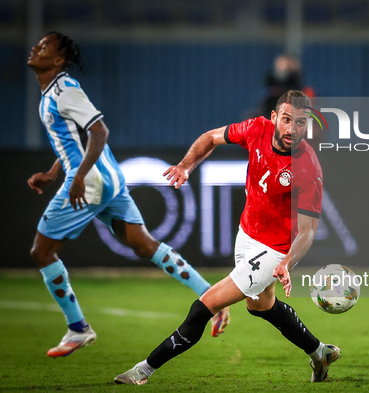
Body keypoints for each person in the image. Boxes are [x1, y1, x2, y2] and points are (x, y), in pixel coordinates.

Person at [114, 90, 340, 385]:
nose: (292, 129)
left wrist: (286, 262)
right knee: (260, 306)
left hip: (274, 250)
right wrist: (186, 165)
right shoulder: (256, 128)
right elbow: (209, 137)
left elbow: (308, 231)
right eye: (286, 120)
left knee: (204, 306)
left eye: (300, 123)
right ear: (274, 118)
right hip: (246, 233)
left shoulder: (307, 167)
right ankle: (320, 353)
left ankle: (142, 371)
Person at [26, 32, 230, 358]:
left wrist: (77, 178)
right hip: (109, 179)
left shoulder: (64, 91)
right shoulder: (55, 92)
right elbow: (78, 140)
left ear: (59, 59)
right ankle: (213, 298)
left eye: (43, 47)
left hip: (91, 182)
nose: (35, 49)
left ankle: (78, 328)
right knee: (144, 245)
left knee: (41, 252)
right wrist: (53, 173)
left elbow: (99, 131)